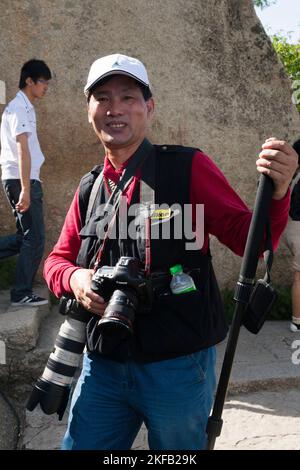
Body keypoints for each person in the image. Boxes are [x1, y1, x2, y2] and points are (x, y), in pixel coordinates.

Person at [43, 54, 298, 450]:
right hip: (103, 365)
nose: (115, 109)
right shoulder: (90, 187)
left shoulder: (188, 167)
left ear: (149, 107)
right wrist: (76, 279)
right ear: (89, 109)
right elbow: (56, 260)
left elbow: (250, 239)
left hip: (178, 367)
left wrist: (278, 194)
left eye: (128, 97)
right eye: (103, 97)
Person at [0, 59, 51, 306]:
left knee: (25, 237)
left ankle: (21, 290)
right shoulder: (19, 108)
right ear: (29, 81)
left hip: (21, 178)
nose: (46, 88)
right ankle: (21, 293)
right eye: (43, 82)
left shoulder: (24, 107)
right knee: (34, 238)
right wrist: (26, 191)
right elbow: (22, 150)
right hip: (22, 179)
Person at [282, 139, 300, 332]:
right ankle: (297, 320)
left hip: (292, 228)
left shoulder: (293, 177)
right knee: (299, 277)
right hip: (299, 229)